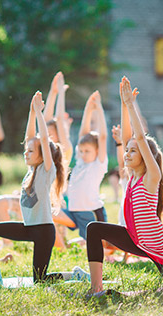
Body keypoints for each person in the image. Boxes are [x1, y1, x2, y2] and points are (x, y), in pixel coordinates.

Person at [86, 77, 163, 296]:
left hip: (157, 244)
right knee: (93, 229)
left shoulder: (151, 176)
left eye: (133, 152)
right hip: (134, 238)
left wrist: (132, 106)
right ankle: (96, 289)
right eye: (127, 151)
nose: (127, 153)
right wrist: (124, 106)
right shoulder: (132, 176)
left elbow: (140, 139)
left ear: (146, 157)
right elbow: (129, 139)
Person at [0, 91, 65, 285]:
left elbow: (42, 139)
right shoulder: (31, 170)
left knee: (39, 280)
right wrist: (31, 113)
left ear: (43, 154)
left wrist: (40, 114)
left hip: (43, 231)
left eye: (31, 151)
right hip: (28, 228)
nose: (26, 152)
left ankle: (74, 274)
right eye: (26, 150)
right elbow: (30, 137)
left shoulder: (46, 171)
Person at [60, 90, 108, 240]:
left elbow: (103, 137)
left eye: (87, 151)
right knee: (49, 213)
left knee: (97, 247)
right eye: (81, 151)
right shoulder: (81, 161)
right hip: (74, 211)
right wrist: (87, 110)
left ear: (97, 151)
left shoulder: (98, 165)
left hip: (90, 212)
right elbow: (83, 135)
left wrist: (98, 108)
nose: (82, 154)